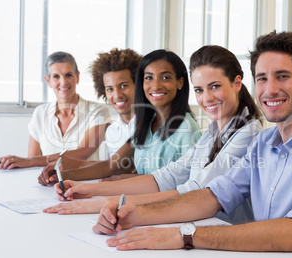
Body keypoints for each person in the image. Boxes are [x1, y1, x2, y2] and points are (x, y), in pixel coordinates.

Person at [92, 31, 292, 258]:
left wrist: (184, 234)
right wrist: (135, 214)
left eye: (282, 76)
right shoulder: (264, 143)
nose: (270, 89)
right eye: (262, 78)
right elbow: (214, 196)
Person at [44, 45, 263, 223]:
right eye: (199, 90)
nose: (206, 98)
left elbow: (193, 191)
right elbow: (166, 176)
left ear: (237, 83)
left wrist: (110, 200)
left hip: (219, 232)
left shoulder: (248, 133)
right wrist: (90, 189)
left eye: (214, 86)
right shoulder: (214, 129)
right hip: (194, 223)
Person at [38, 49, 201, 186]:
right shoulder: (148, 122)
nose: (156, 85)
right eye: (149, 78)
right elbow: (112, 165)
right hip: (138, 202)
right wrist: (61, 175)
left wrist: (127, 180)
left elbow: (188, 187)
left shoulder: (187, 129)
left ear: (180, 82)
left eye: (165, 77)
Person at [0, 51, 110, 170]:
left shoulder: (98, 112)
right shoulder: (40, 113)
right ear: (48, 81)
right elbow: (32, 164)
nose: (63, 82)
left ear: (77, 77)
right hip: (47, 185)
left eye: (68, 75)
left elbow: (82, 154)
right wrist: (25, 162)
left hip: (85, 184)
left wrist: (27, 161)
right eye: (56, 76)